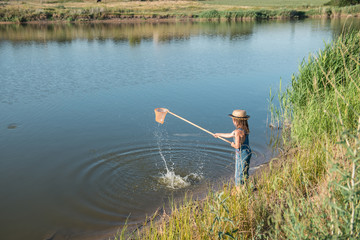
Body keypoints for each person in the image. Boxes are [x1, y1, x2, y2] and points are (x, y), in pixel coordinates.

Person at [214, 109, 252, 187]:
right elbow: (230, 134)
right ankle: (246, 186)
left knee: (239, 174)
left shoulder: (237, 132)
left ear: (235, 121)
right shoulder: (244, 130)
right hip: (248, 152)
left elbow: (237, 146)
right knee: (244, 171)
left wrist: (232, 144)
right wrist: (219, 134)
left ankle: (239, 191)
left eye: (233, 120)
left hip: (242, 154)